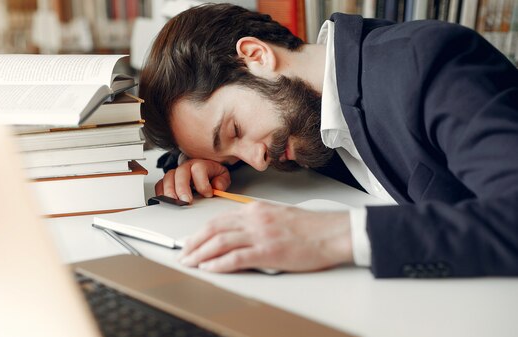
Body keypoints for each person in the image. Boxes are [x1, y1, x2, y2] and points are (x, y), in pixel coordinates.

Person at [138, 3, 518, 278]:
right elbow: (204, 136)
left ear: (255, 55)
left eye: (234, 132)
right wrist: (201, 162)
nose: (256, 161)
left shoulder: (430, 64)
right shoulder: (303, 109)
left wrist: (333, 235)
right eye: (231, 153)